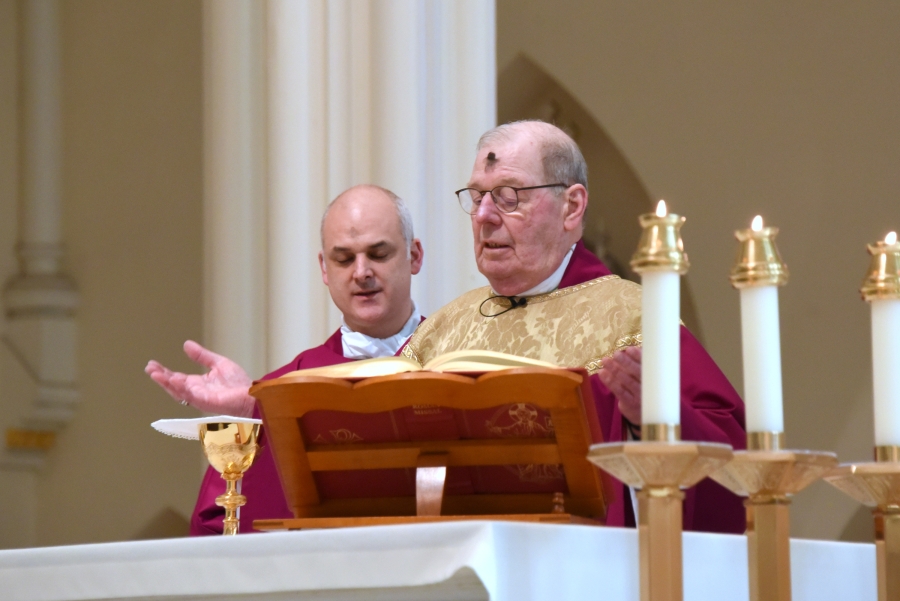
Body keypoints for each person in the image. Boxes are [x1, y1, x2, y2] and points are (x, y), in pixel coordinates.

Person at [402, 120, 746, 533]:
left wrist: (652, 420)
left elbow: (733, 469)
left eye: (508, 197)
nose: (484, 216)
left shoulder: (636, 318)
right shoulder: (438, 331)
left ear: (572, 206)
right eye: (476, 197)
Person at [145, 184, 425, 534]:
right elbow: (218, 529)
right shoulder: (283, 392)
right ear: (324, 268)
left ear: (414, 256)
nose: (361, 272)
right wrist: (253, 413)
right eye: (343, 259)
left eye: (378, 254)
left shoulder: (462, 363)